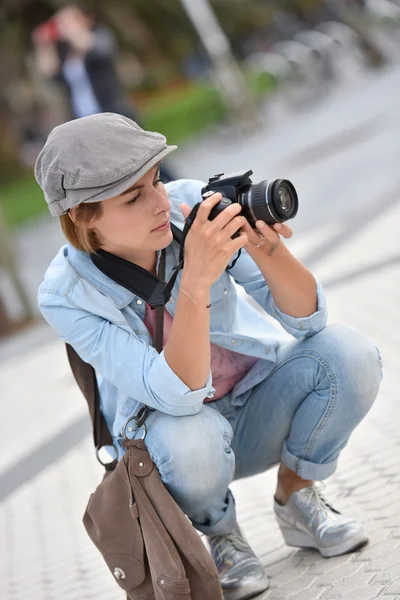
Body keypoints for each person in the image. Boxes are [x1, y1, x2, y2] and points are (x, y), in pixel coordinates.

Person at [36, 113, 382, 599]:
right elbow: (176, 397)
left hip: (256, 405)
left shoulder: (189, 206)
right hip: (181, 449)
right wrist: (195, 279)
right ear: (82, 216)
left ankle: (298, 495)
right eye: (134, 197)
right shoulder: (66, 295)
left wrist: (267, 250)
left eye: (157, 180)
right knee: (188, 434)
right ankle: (222, 536)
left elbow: (309, 320)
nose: (161, 202)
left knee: (350, 354)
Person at [32, 3, 175, 183]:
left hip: (114, 111)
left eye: (69, 21)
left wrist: (73, 31)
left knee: (146, 156)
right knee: (112, 166)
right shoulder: (66, 52)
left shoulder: (99, 37)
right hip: (86, 118)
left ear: (85, 20)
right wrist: (45, 44)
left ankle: (174, 185)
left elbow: (98, 53)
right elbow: (49, 73)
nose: (64, 26)